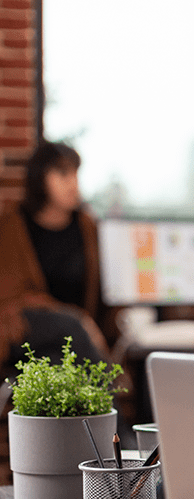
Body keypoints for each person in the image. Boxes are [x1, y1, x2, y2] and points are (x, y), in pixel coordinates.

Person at [0, 141, 111, 369]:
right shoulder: (14, 225)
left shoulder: (86, 226)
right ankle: (111, 401)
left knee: (62, 360)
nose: (74, 184)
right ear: (40, 178)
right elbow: (11, 298)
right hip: (25, 329)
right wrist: (78, 320)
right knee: (71, 331)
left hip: (75, 341)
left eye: (76, 174)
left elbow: (101, 291)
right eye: (63, 174)